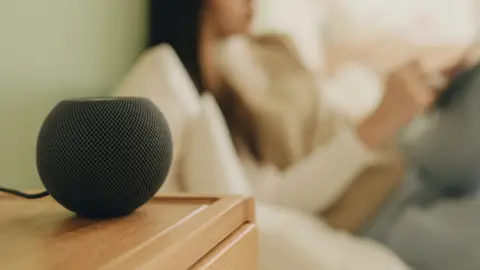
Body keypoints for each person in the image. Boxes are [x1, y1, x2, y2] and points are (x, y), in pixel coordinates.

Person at [149, 0, 479, 269]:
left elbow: (328, 106)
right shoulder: (206, 105)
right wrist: (376, 124)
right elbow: (275, 203)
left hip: (403, 151)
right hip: (375, 206)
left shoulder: (274, 46)